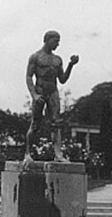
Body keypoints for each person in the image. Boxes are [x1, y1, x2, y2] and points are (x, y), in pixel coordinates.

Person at [24, 30, 79, 164]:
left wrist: (71, 65)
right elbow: (29, 76)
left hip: (53, 91)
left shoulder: (57, 60)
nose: (57, 44)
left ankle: (58, 154)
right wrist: (34, 95)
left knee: (56, 123)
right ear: (47, 40)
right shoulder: (35, 57)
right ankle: (27, 153)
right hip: (40, 91)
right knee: (36, 124)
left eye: (58, 41)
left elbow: (62, 79)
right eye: (56, 41)